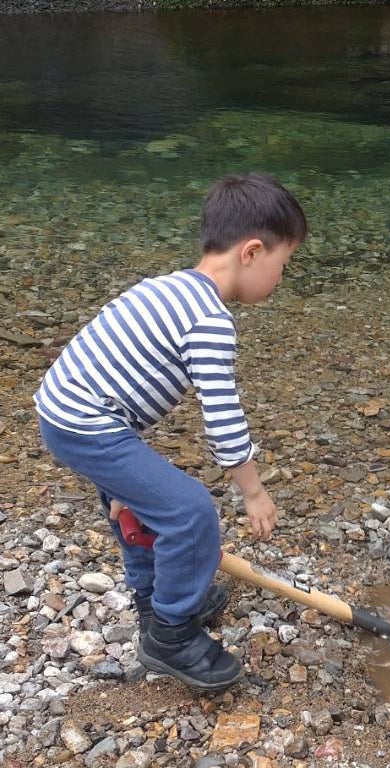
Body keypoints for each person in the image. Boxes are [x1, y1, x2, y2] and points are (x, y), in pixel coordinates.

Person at [35, 172, 307, 692]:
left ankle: (156, 603)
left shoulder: (168, 287)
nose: (281, 278)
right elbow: (223, 420)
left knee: (143, 510)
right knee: (189, 512)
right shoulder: (209, 320)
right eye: (283, 264)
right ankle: (171, 634)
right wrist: (253, 491)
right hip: (87, 421)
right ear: (252, 252)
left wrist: (123, 482)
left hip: (70, 410)